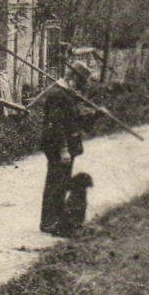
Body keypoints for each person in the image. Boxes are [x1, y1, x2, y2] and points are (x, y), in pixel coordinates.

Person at [39, 62, 92, 235]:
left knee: (61, 182)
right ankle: (48, 222)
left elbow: (72, 119)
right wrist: (63, 149)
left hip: (66, 146)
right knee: (55, 183)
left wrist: (95, 115)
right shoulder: (58, 95)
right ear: (74, 77)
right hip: (58, 146)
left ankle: (56, 220)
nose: (82, 85)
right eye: (82, 81)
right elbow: (56, 125)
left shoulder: (67, 94)